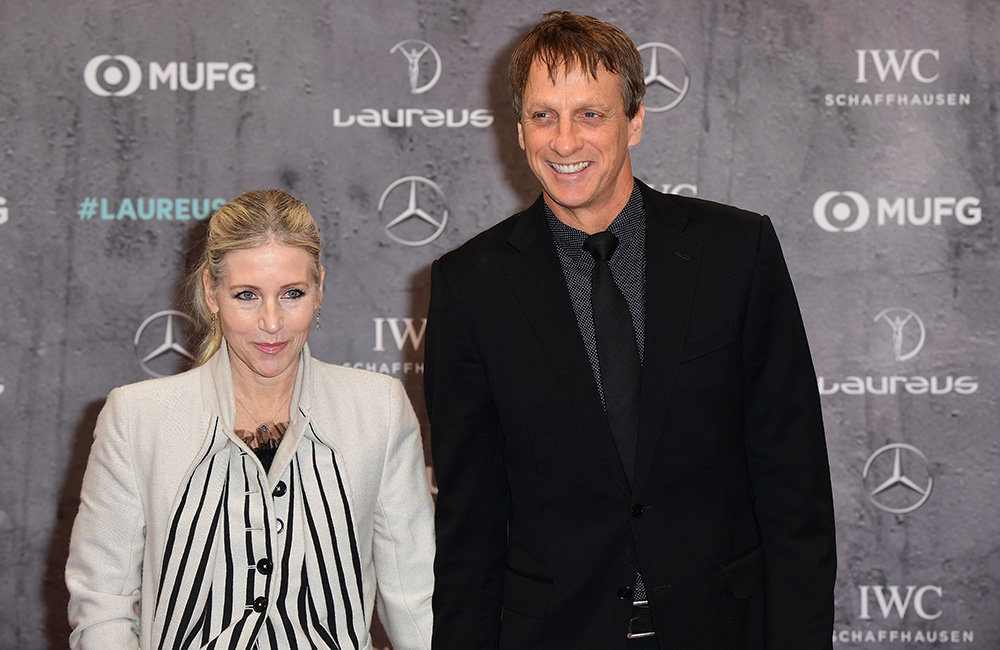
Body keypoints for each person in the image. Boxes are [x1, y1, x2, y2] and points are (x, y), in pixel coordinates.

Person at [425, 10, 835, 650]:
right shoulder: (468, 285)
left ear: (635, 120)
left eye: (590, 114)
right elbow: (469, 524)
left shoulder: (735, 252)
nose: (565, 142)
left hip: (722, 628)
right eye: (543, 115)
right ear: (519, 127)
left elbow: (795, 488)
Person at [66, 189, 434, 650]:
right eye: (246, 295)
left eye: (292, 294)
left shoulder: (377, 408)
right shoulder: (138, 418)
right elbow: (103, 602)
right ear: (210, 292)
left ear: (319, 287)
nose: (272, 322)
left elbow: (415, 598)